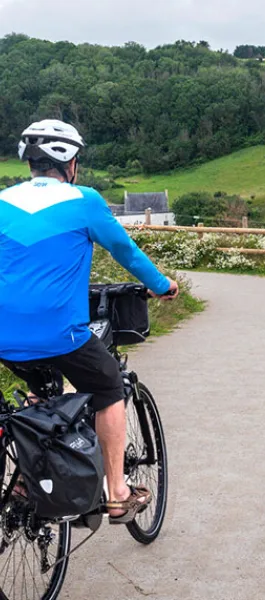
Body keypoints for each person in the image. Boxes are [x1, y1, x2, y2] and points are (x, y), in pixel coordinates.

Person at [0, 120, 179, 524]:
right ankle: (117, 493)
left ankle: (30, 476)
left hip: (3, 334)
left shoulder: (2, 201)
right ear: (71, 163)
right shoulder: (84, 200)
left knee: (40, 387)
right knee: (107, 384)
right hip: (59, 332)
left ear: (29, 161)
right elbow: (125, 251)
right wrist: (161, 284)